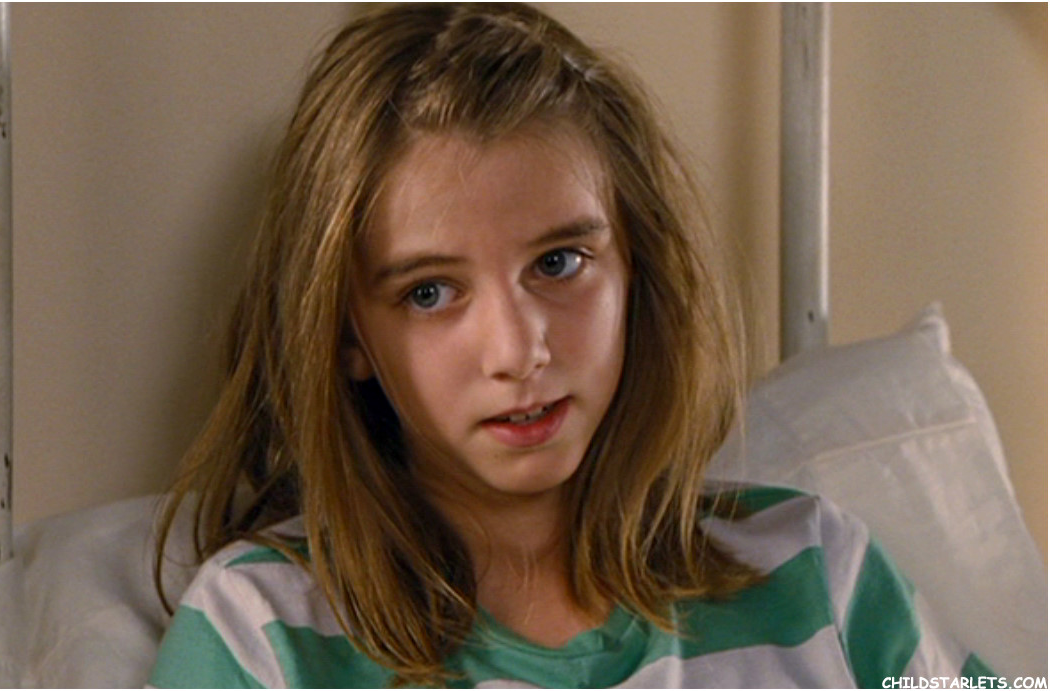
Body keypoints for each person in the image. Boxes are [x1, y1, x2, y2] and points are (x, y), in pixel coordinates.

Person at [149, 4, 991, 687]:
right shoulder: (262, 635)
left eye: (558, 263)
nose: (519, 350)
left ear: (636, 270)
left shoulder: (819, 572)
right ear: (345, 334)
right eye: (430, 292)